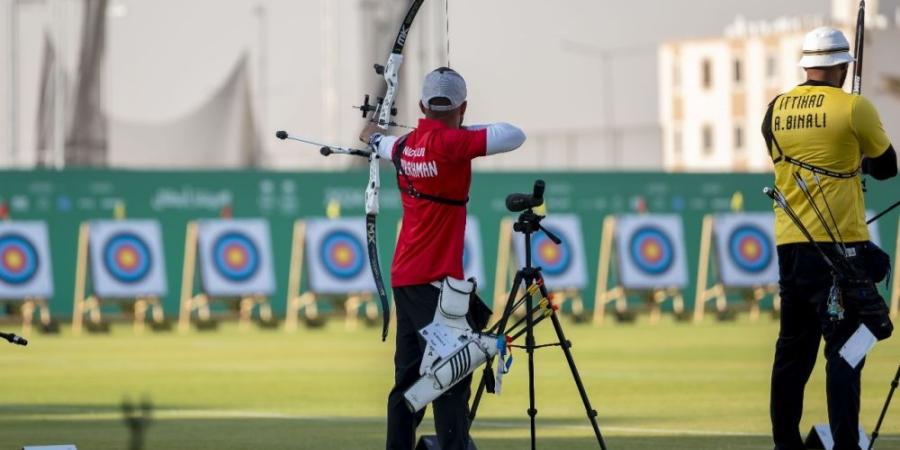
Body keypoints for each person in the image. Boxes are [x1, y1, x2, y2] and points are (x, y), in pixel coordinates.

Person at [359, 67, 526, 450]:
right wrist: (452, 132)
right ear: (463, 108)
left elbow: (375, 140)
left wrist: (378, 133)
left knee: (410, 380)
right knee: (451, 374)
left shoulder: (403, 147)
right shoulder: (453, 145)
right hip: (435, 286)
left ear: (420, 105)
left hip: (406, 279)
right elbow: (515, 134)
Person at [762, 27, 897, 450]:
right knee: (862, 336)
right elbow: (888, 166)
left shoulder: (774, 110)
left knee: (793, 354)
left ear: (807, 65)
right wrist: (856, 156)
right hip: (843, 250)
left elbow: (787, 155)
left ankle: (785, 444)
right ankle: (844, 442)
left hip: (792, 248)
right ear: (842, 67)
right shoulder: (854, 107)